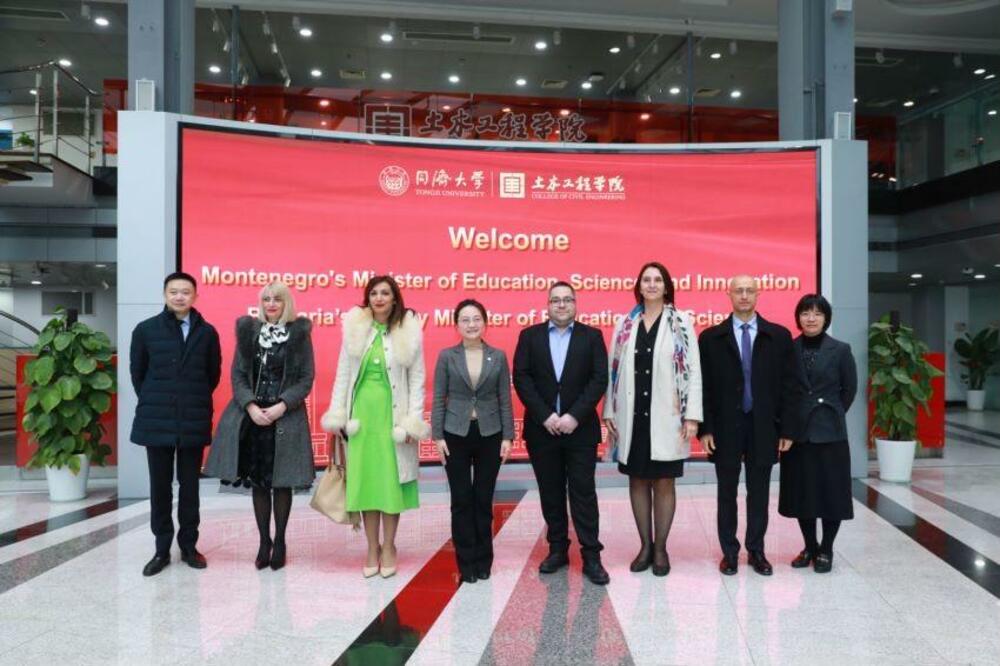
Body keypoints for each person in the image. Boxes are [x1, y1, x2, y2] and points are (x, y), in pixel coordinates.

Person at [320, 275, 428, 579]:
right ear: (367, 298)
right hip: (362, 421)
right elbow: (343, 375)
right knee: (367, 485)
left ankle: (389, 546)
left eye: (385, 293)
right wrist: (338, 415)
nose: (379, 298)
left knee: (390, 484)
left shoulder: (408, 330)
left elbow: (418, 380)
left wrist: (412, 422)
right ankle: (371, 548)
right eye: (374, 293)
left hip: (393, 420)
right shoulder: (355, 327)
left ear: (395, 299)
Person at [203, 281, 316, 571]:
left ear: (286, 303)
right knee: (259, 483)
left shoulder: (299, 334)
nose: (271, 304)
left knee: (282, 482)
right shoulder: (249, 333)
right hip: (253, 418)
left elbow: (306, 378)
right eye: (266, 299)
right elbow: (238, 375)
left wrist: (282, 405)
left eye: (277, 299)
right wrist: (251, 406)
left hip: (285, 417)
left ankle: (280, 542)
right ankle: (264, 541)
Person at [604, 262, 702, 577]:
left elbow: (693, 371)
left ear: (666, 286)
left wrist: (692, 415)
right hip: (632, 415)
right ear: (639, 286)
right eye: (646, 279)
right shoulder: (625, 323)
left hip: (668, 415)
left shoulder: (682, 322)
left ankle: (660, 548)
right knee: (636, 479)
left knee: (663, 482)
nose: (651, 284)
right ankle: (644, 546)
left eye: (657, 279)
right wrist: (609, 411)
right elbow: (612, 371)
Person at [698, 274, 798, 576]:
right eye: (738, 290)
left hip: (764, 426)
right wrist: (705, 428)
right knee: (726, 492)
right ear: (729, 295)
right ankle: (729, 552)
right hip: (725, 427)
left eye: (749, 290)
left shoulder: (778, 336)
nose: (744, 295)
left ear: (758, 295)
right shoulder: (711, 338)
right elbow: (704, 388)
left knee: (759, 492)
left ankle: (756, 551)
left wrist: (787, 429)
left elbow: (789, 387)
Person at [513, 281, 610, 585]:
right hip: (542, 430)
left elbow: (599, 379)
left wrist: (573, 416)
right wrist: (546, 416)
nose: (562, 305)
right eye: (556, 300)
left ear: (575, 304)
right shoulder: (529, 336)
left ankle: (591, 555)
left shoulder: (592, 337)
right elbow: (522, 378)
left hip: (580, 430)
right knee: (551, 492)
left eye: (568, 299)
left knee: (583, 492)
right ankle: (557, 550)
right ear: (548, 305)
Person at [130, 271, 221, 577]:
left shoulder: (207, 333)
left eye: (185, 292)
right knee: (160, 488)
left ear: (195, 296)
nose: (179, 296)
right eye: (174, 292)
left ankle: (189, 546)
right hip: (156, 420)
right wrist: (161, 399)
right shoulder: (145, 330)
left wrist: (188, 398)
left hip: (193, 419)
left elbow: (212, 375)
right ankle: (161, 550)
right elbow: (138, 375)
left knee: (190, 488)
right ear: (165, 295)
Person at [431, 299, 515, 583]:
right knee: (461, 500)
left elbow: (505, 399)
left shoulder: (498, 356)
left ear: (485, 323)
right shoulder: (447, 356)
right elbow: (439, 398)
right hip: (455, 434)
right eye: (465, 320)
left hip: (490, 434)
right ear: (457, 325)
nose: (471, 324)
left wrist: (508, 436)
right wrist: (437, 436)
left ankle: (483, 560)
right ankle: (465, 562)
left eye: (476, 319)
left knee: (483, 498)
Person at [779, 294, 857, 573]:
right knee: (803, 494)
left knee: (831, 494)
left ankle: (826, 548)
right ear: (798, 318)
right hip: (797, 434)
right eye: (805, 313)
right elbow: (783, 391)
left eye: (817, 313)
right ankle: (810, 546)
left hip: (830, 433)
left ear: (826, 318)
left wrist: (830, 414)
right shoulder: (788, 349)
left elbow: (849, 390)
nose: (811, 318)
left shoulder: (841, 350)